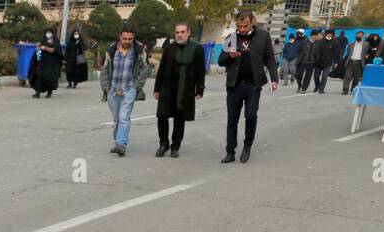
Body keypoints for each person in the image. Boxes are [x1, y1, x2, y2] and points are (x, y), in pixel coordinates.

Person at [217, 10, 277, 164]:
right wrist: (229, 55)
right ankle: (230, 151)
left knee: (250, 116)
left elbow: (269, 58)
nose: (242, 29)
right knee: (232, 119)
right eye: (240, 26)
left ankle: (247, 146)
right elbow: (221, 60)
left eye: (245, 26)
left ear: (252, 22)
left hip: (253, 86)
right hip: (234, 85)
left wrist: (274, 79)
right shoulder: (231, 37)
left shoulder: (263, 36)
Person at [153, 21, 205, 158]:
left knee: (179, 118)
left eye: (182, 32)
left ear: (188, 33)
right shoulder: (169, 48)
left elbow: (200, 70)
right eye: (177, 32)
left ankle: (175, 146)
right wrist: (157, 88)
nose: (179, 35)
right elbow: (162, 69)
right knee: (162, 116)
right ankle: (163, 144)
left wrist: (200, 89)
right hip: (167, 88)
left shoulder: (196, 49)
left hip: (185, 89)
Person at [100, 23, 151, 157]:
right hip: (113, 90)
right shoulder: (111, 49)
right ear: (120, 37)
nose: (127, 41)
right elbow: (104, 70)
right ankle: (118, 142)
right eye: (125, 39)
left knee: (124, 117)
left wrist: (136, 87)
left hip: (129, 89)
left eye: (130, 39)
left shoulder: (139, 50)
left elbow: (145, 69)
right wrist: (106, 88)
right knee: (116, 119)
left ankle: (121, 144)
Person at [31, 27, 63, 98]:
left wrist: (45, 48)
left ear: (52, 33)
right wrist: (38, 48)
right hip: (43, 63)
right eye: (47, 33)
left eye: (49, 33)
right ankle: (37, 92)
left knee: (49, 78)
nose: (48, 34)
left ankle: (49, 92)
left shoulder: (55, 41)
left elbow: (54, 50)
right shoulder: (43, 40)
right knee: (39, 76)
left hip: (52, 64)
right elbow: (39, 48)